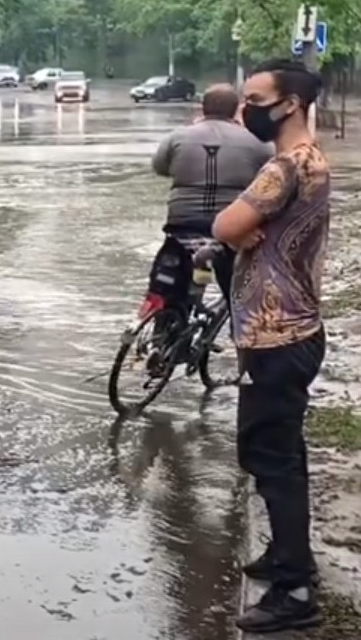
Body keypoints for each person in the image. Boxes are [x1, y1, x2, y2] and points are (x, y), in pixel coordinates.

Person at [212, 60, 330, 634]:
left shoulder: (284, 168)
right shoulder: (313, 160)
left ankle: (295, 591)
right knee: (285, 454)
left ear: (289, 105)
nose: (246, 109)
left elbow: (224, 227)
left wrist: (237, 228)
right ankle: (290, 558)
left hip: (276, 335)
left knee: (270, 459)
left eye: (256, 98)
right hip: (294, 330)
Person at [149, 83, 270, 315]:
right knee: (240, 300)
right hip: (231, 230)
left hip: (181, 225)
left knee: (167, 288)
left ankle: (163, 333)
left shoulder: (177, 137)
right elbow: (269, 180)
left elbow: (160, 168)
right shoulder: (258, 143)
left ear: (202, 108)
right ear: (236, 111)